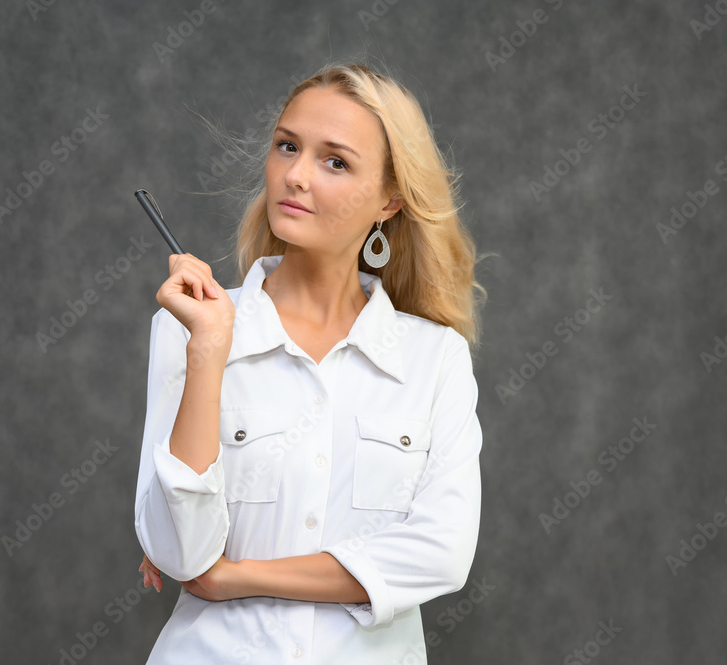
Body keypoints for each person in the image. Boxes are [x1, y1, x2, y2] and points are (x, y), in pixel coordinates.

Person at [133, 60, 491, 664]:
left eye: (335, 161)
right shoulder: (191, 327)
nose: (295, 175)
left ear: (390, 200)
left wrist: (241, 576)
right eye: (286, 146)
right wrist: (210, 351)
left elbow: (442, 553)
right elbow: (181, 556)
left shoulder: (435, 359)